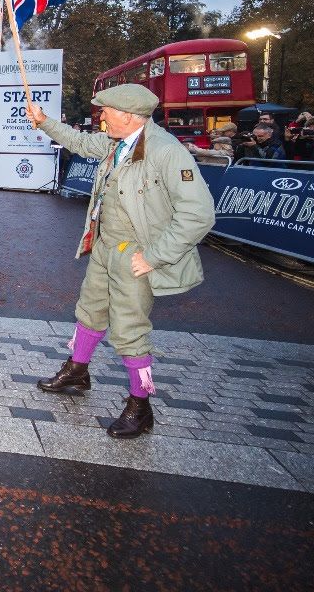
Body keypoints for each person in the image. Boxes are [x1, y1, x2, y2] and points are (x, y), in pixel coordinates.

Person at [26, 83, 215, 439]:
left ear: (127, 116)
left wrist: (156, 256)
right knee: (90, 310)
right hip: (105, 245)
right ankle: (78, 371)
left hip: (136, 254)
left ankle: (140, 406)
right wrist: (44, 121)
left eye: (106, 112)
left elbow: (199, 214)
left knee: (129, 330)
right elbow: (80, 143)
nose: (101, 117)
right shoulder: (117, 142)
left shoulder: (166, 152)